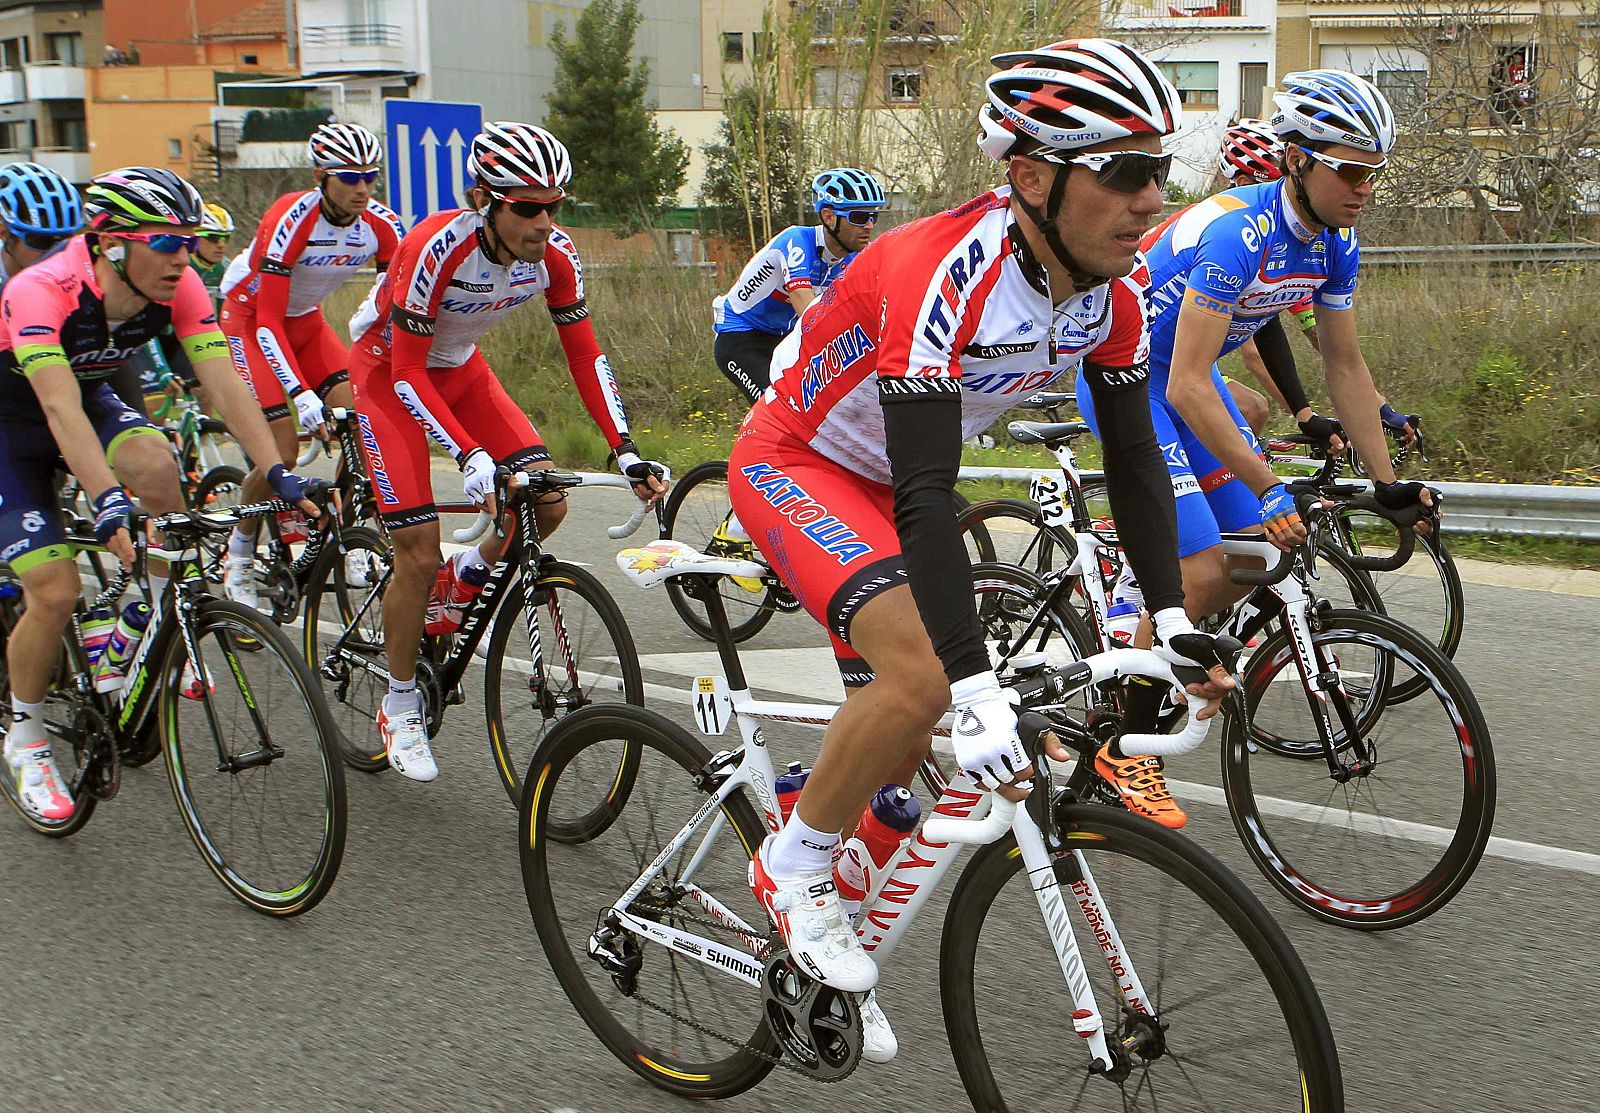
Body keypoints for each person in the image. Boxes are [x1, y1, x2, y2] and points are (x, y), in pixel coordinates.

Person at [723, 39, 1235, 1059]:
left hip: (883, 486)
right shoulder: (938, 272)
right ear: (1035, 177)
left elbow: (1131, 462)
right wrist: (968, 681)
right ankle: (792, 863)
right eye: (1125, 173)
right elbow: (924, 488)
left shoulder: (1110, 294)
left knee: (905, 745)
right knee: (925, 682)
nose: (1149, 201)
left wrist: (1172, 620)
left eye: (1158, 173)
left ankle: (832, 911)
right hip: (800, 461)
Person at [1079, 70, 1435, 691]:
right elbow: (1186, 384)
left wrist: (1385, 484)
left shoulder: (1337, 243)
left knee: (1250, 560)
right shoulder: (1237, 234)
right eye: (1350, 172)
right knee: (1200, 573)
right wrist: (1270, 486)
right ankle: (1120, 738)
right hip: (1129, 379)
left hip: (1185, 378)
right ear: (1297, 160)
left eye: (1373, 173)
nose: (1365, 190)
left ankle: (1163, 657)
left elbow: (1345, 366)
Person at [345, 121, 665, 783]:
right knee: (415, 547)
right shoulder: (435, 246)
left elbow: (584, 353)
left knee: (544, 502)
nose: (544, 221)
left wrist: (625, 449)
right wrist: (467, 454)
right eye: (527, 206)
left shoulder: (557, 256)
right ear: (485, 199)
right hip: (388, 372)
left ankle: (469, 571)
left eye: (555, 205)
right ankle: (399, 701)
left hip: (462, 369)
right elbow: (406, 372)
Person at [0, 168, 323, 823]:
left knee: (156, 465)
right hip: (12, 426)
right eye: (167, 243)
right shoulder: (42, 289)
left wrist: (275, 470)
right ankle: (26, 735)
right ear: (113, 242)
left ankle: (142, 618)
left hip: (87, 398)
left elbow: (224, 383)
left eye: (188, 241)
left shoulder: (180, 286)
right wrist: (106, 497)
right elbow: (58, 412)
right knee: (56, 590)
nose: (185, 256)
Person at [216, 122, 404, 607]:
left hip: (307, 322)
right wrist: (300, 395)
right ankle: (238, 551)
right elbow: (267, 322)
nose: (362, 187)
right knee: (280, 448)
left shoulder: (382, 225)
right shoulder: (290, 218)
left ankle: (344, 532)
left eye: (370, 176)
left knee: (365, 425)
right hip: (250, 318)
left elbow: (391, 309)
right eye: (349, 177)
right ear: (321, 174)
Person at [711, 167, 885, 403]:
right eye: (859, 217)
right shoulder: (796, 242)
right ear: (828, 217)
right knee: (775, 407)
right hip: (740, 337)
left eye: (873, 217)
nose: (869, 226)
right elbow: (810, 316)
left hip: (783, 340)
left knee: (813, 412)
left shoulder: (855, 258)